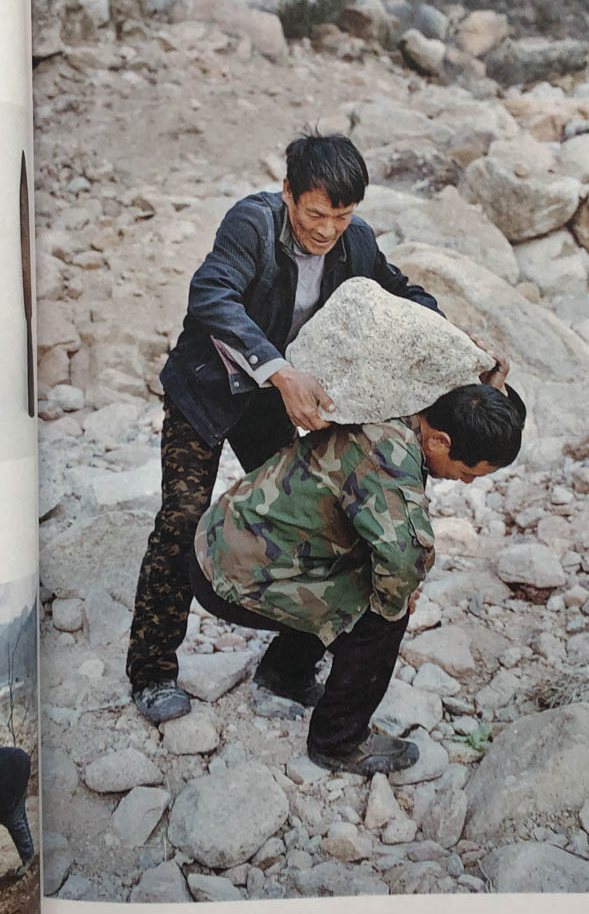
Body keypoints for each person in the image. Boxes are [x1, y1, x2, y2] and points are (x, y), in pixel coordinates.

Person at [128, 131, 461, 725]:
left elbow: (401, 296)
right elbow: (212, 296)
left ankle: (285, 664)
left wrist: (463, 350)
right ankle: (152, 671)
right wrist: (280, 372)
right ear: (287, 192)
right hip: (207, 391)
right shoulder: (251, 224)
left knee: (314, 516)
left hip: (272, 406)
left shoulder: (355, 242)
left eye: (342, 215)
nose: (327, 229)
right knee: (180, 520)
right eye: (315, 213)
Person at [189, 382, 526, 776]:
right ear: (439, 441)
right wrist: (395, 599)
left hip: (224, 539)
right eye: (468, 473)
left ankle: (285, 674)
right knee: (382, 616)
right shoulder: (390, 467)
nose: (466, 482)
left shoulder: (400, 402)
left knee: (364, 581)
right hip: (230, 577)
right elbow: (404, 561)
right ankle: (339, 741)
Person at [0, 747, 34, 879]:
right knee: (17, 816)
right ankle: (29, 853)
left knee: (13, 820)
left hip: (17, 769)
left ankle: (28, 859)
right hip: (14, 769)